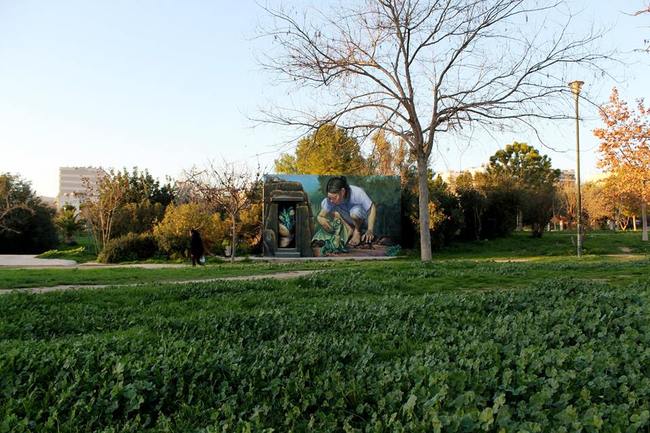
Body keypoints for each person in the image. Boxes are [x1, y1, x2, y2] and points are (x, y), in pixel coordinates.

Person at [316, 176, 376, 246]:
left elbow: (372, 208)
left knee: (354, 213)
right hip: (348, 220)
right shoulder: (330, 200)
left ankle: (357, 231)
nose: (331, 200)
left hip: (361, 219)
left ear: (342, 191)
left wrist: (370, 230)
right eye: (330, 198)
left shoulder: (357, 192)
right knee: (333, 210)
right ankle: (349, 229)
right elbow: (321, 215)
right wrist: (320, 219)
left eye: (334, 197)